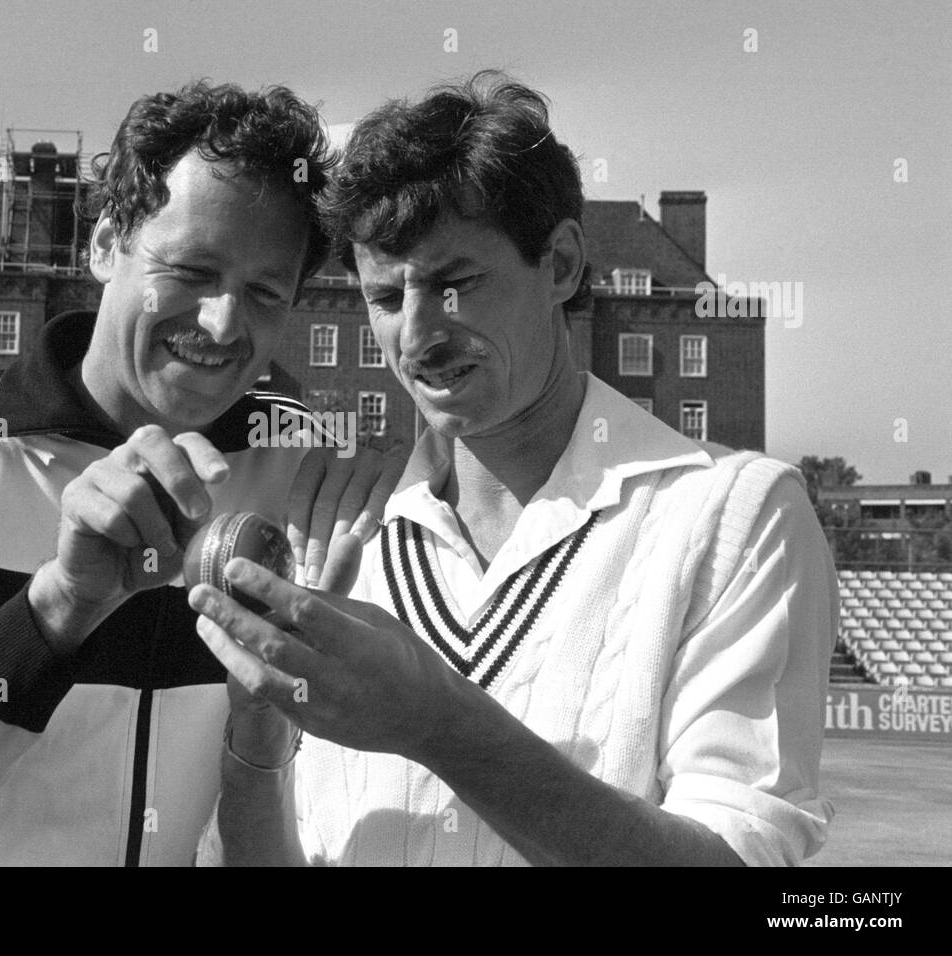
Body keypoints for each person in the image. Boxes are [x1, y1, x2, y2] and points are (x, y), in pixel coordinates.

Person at [190, 72, 838, 866]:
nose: (418, 334)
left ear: (561, 264)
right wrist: (256, 737)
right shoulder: (341, 526)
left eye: (455, 285)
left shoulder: (735, 515)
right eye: (387, 298)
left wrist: (438, 725)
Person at [0, 80, 397, 866]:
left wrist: (416, 462)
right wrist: (52, 612)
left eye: (265, 292)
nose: (223, 321)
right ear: (104, 244)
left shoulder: (312, 475)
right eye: (193, 269)